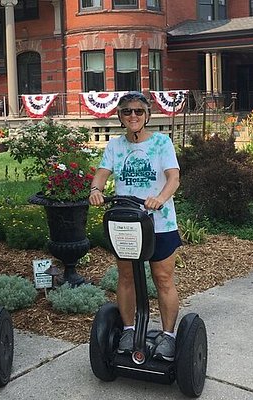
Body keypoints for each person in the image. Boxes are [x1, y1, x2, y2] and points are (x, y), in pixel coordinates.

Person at [89, 91, 182, 362]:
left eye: (138, 111)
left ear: (147, 115)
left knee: (163, 279)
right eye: (127, 111)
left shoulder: (161, 143)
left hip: (159, 223)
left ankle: (168, 336)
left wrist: (160, 198)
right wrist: (96, 190)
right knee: (126, 277)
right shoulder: (115, 146)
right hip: (126, 223)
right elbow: (101, 174)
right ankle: (129, 329)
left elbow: (173, 178)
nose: (133, 116)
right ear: (119, 116)